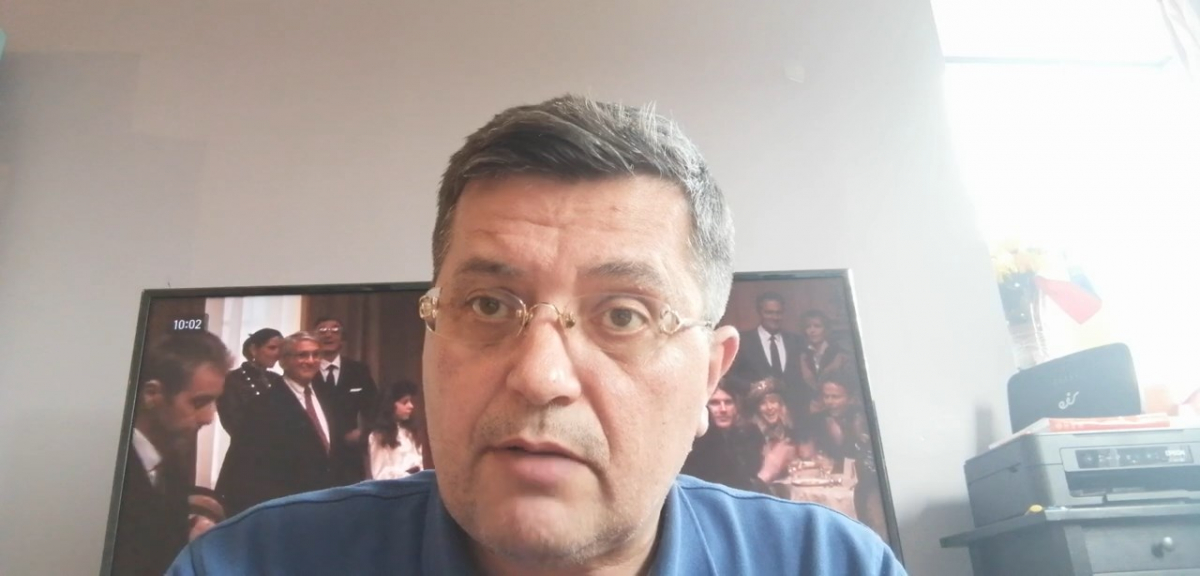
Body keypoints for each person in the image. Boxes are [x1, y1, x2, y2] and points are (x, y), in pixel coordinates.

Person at [169, 95, 905, 575]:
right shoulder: (247, 566)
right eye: (489, 305)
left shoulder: (832, 566)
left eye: (624, 315)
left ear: (710, 377)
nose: (540, 376)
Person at [111, 331, 231, 576]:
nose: (209, 418)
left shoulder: (170, 463)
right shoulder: (109, 468)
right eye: (199, 402)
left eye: (214, 402)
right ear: (152, 394)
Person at [214, 331, 351, 516]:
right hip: (286, 509)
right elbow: (250, 468)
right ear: (283, 361)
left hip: (328, 506)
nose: (311, 361)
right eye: (302, 355)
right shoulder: (262, 406)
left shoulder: (328, 398)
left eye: (316, 354)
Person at [314, 316, 379, 480]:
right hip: (312, 449)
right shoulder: (306, 370)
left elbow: (375, 407)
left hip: (348, 454)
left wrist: (364, 432)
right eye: (322, 330)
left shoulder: (358, 370)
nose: (328, 335)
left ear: (343, 339)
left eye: (335, 330)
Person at [730, 293, 811, 418]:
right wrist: (753, 387)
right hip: (755, 415)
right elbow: (729, 376)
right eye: (769, 313)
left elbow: (805, 378)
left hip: (794, 415)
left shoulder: (797, 341)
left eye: (778, 313)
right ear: (759, 312)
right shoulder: (742, 341)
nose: (774, 317)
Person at [681, 379, 769, 493]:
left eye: (728, 402)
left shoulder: (750, 437)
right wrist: (765, 476)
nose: (723, 409)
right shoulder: (697, 448)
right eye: (714, 403)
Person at [217, 328, 284, 437]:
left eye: (281, 349)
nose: (278, 353)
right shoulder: (232, 379)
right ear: (253, 349)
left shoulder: (277, 379)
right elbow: (232, 422)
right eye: (272, 348)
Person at [367, 379, 425, 479]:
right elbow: (379, 474)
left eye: (410, 401)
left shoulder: (411, 431)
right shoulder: (379, 436)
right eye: (405, 402)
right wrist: (406, 473)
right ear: (390, 404)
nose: (411, 406)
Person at [798, 309, 853, 401]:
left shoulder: (840, 354)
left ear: (826, 329)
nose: (812, 330)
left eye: (817, 326)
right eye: (808, 327)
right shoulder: (801, 356)